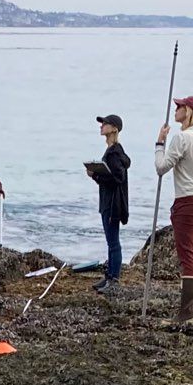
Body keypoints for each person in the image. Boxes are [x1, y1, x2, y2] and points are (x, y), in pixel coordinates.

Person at [154, 95, 193, 324]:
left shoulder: (182, 138)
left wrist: (160, 143)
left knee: (187, 255)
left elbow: (161, 168)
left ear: (188, 111)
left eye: (179, 106)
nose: (176, 109)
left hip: (188, 200)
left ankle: (186, 313)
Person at [84, 114, 130, 292]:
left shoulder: (115, 153)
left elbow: (117, 178)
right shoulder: (111, 150)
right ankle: (109, 276)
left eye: (105, 124)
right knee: (110, 241)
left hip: (113, 204)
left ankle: (114, 280)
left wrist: (95, 175)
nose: (101, 126)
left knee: (113, 242)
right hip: (107, 202)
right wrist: (97, 175)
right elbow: (111, 177)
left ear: (114, 129)